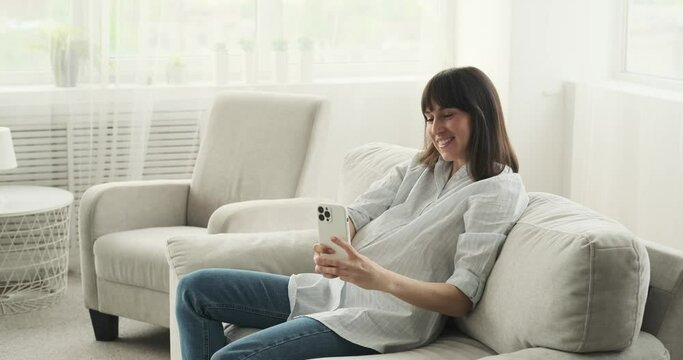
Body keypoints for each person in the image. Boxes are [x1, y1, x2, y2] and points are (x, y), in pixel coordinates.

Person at [175, 66, 529, 360]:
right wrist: (337, 245)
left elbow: (461, 298)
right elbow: (359, 211)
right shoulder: (421, 167)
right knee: (195, 289)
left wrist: (378, 277)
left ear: (479, 114)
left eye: (448, 115)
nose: (436, 129)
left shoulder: (495, 189)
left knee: (230, 358)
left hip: (380, 318)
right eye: (429, 117)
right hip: (331, 292)